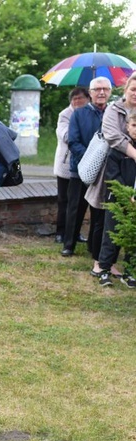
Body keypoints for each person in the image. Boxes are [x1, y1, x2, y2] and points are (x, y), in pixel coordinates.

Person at [62, 77, 112, 258]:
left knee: (98, 211)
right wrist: (91, 160)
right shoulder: (79, 114)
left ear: (110, 92)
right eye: (97, 89)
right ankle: (69, 244)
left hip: (105, 172)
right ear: (90, 93)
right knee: (75, 209)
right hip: (80, 169)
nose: (101, 92)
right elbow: (73, 141)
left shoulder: (113, 113)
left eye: (105, 89)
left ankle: (94, 246)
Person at [97, 79, 136, 287]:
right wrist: (125, 193)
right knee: (111, 232)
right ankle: (104, 268)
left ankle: (130, 271)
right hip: (117, 197)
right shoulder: (117, 151)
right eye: (134, 125)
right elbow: (112, 175)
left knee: (133, 235)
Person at [52, 87, 90, 243]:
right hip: (66, 164)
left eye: (81, 98)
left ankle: (75, 232)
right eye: (74, 99)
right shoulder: (65, 115)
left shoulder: (91, 114)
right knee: (64, 200)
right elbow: (66, 135)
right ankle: (61, 232)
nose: (77, 102)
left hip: (86, 164)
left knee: (81, 201)